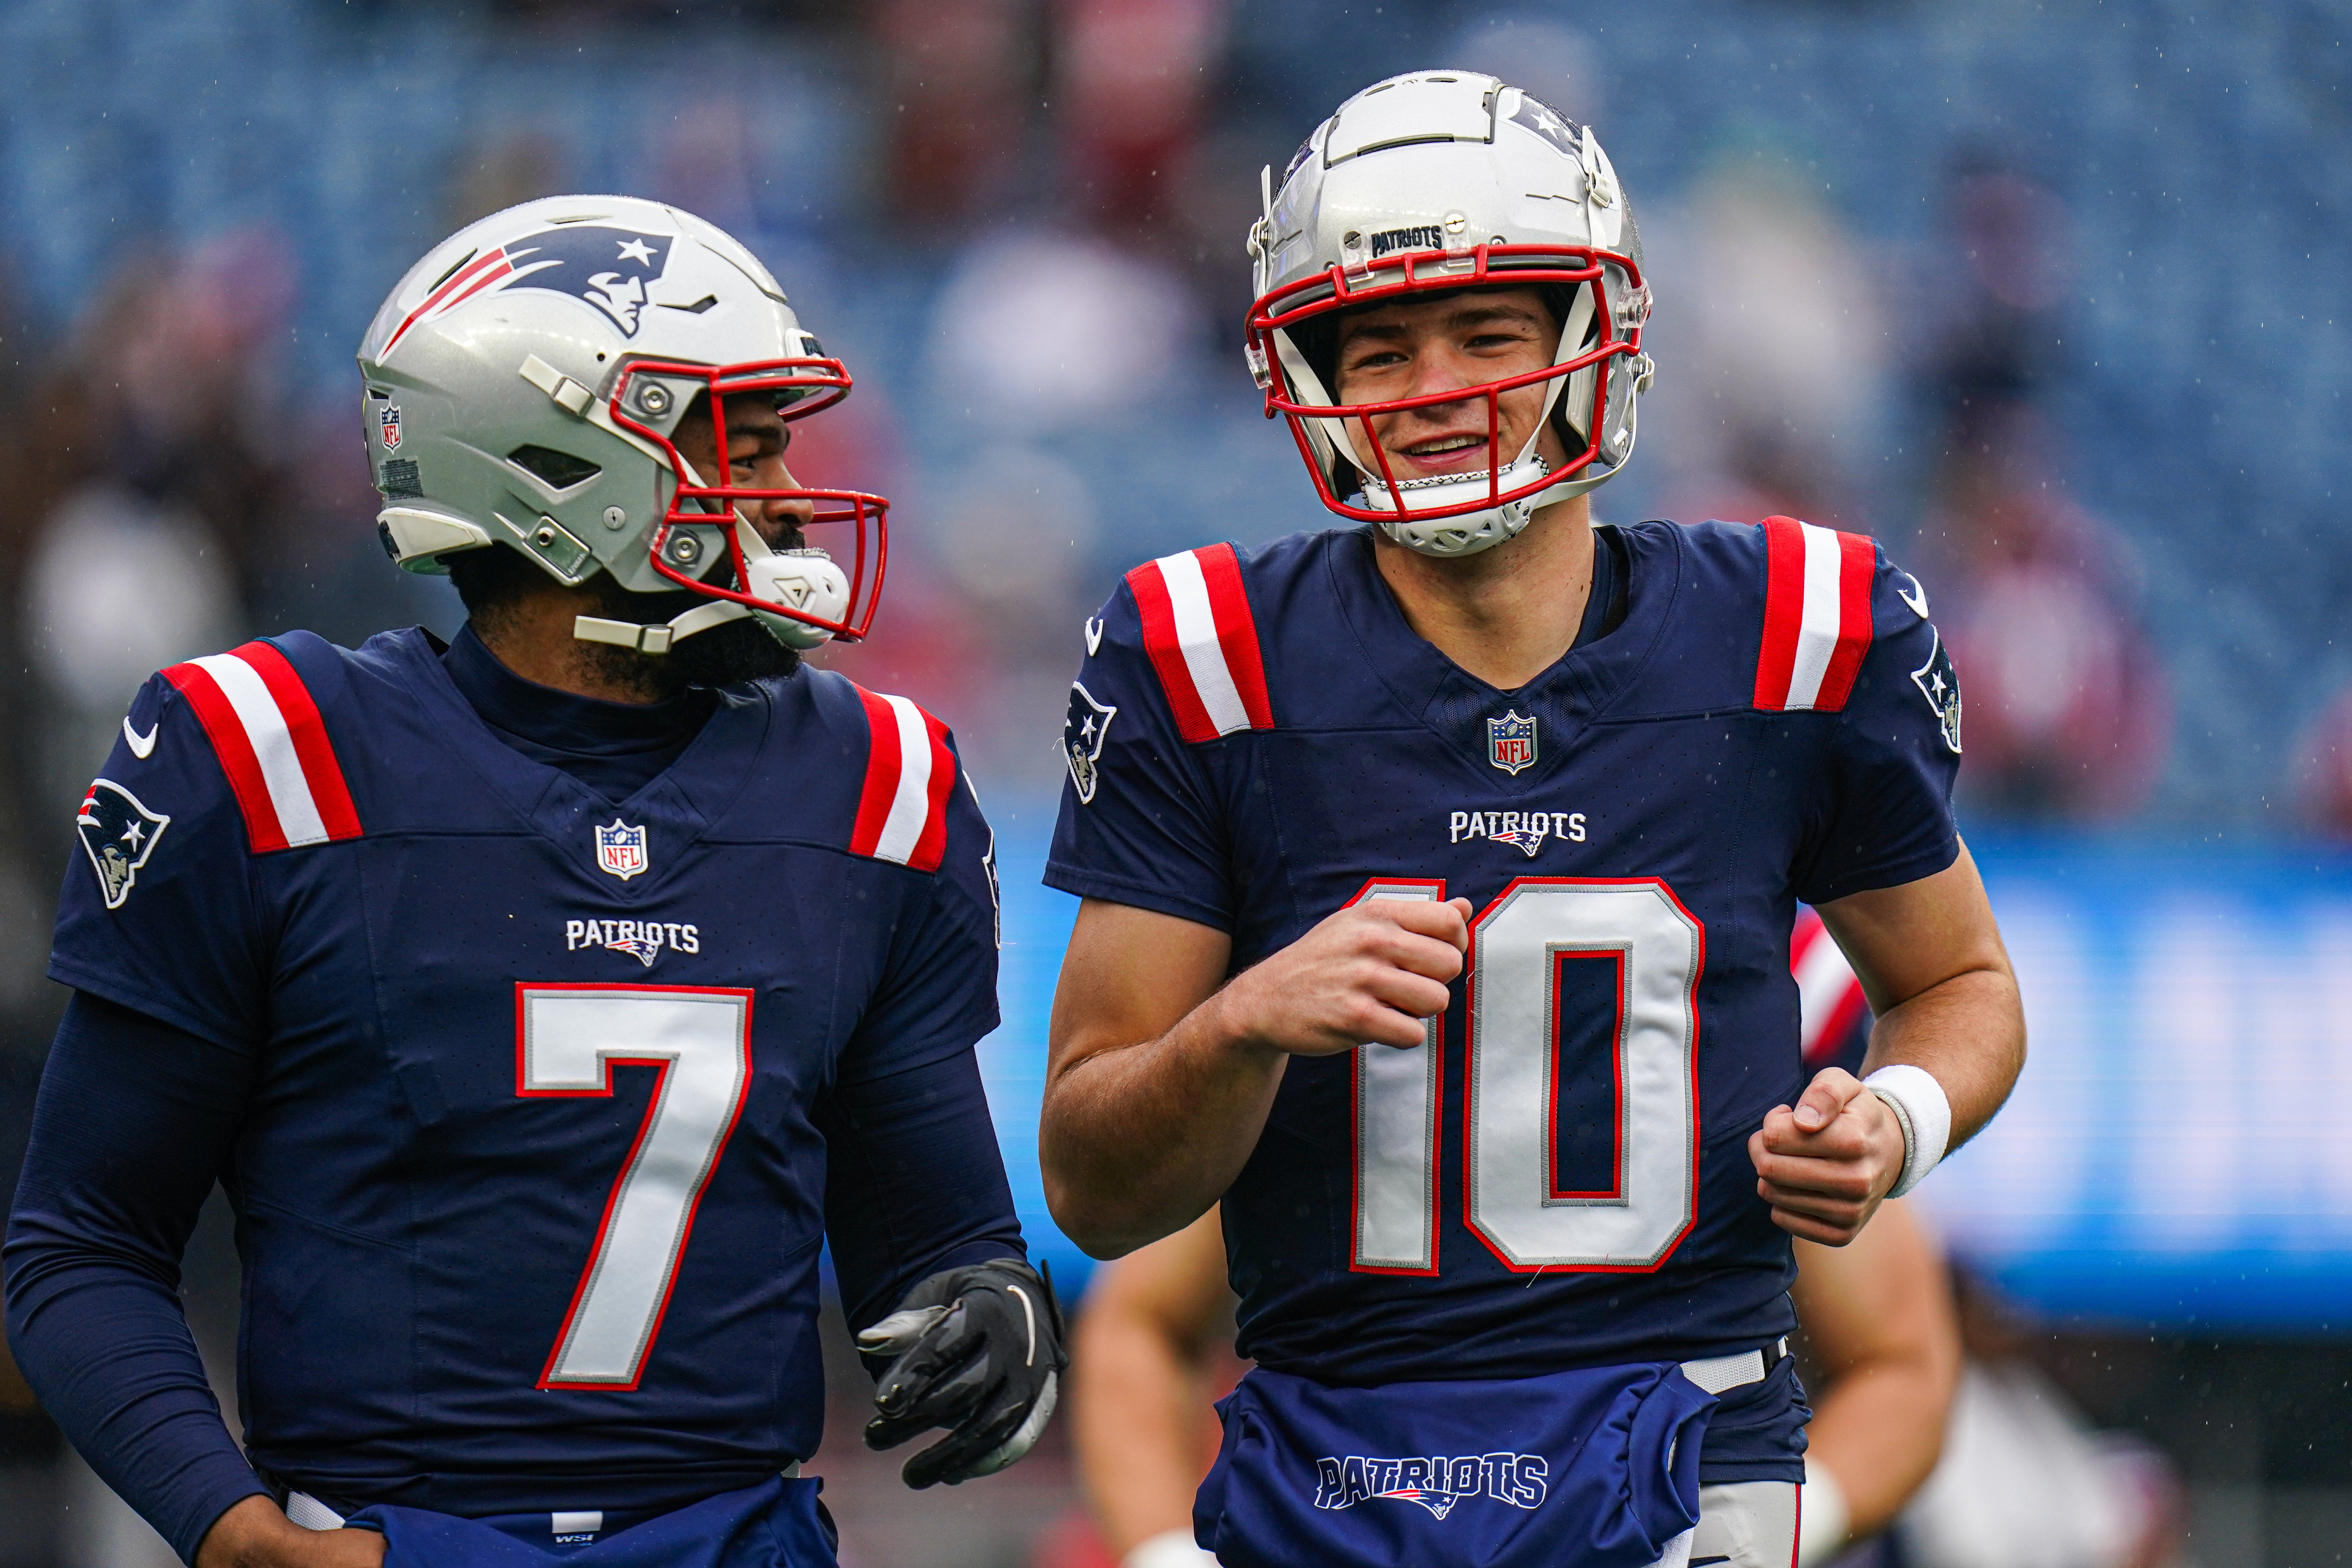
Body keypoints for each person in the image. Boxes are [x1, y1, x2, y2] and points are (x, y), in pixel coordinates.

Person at [1038, 71, 2024, 1568]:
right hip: (1333, 1467)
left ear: (1593, 333)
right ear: (1309, 374)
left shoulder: (1794, 635)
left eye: (1487, 329)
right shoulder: (1205, 659)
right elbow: (1097, 1193)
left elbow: (1961, 985)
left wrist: (1897, 1116)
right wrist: (1239, 1025)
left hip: (1690, 1458)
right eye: (1379, 345)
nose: (1435, 384)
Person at [4, 196, 1063, 1568]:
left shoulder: (875, 780)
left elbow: (935, 1240)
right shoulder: (274, 755)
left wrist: (995, 1317)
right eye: (739, 449)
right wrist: (232, 1527)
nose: (791, 499)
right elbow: (81, 1241)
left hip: (736, 1541)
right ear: (559, 470)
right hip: (394, 1538)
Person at [1068, 923, 1961, 1568]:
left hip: (1653, 1514)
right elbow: (1143, 1321)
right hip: (1366, 1515)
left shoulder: (1766, 978)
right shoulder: (1331, 950)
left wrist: (1758, 1529)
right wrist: (1164, 1555)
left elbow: (1897, 1361)